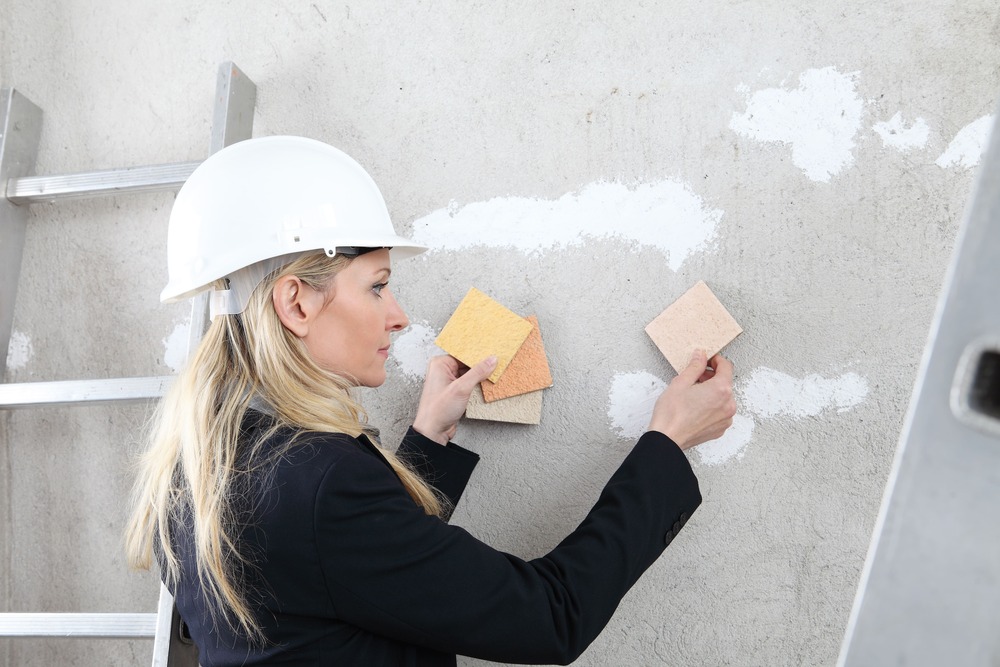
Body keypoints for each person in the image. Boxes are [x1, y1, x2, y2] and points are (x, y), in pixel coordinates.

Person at [125, 136, 736, 666]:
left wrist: (426, 444)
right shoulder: (323, 484)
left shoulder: (195, 466)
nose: (399, 317)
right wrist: (667, 444)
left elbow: (355, 579)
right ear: (296, 303)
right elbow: (552, 614)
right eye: (378, 287)